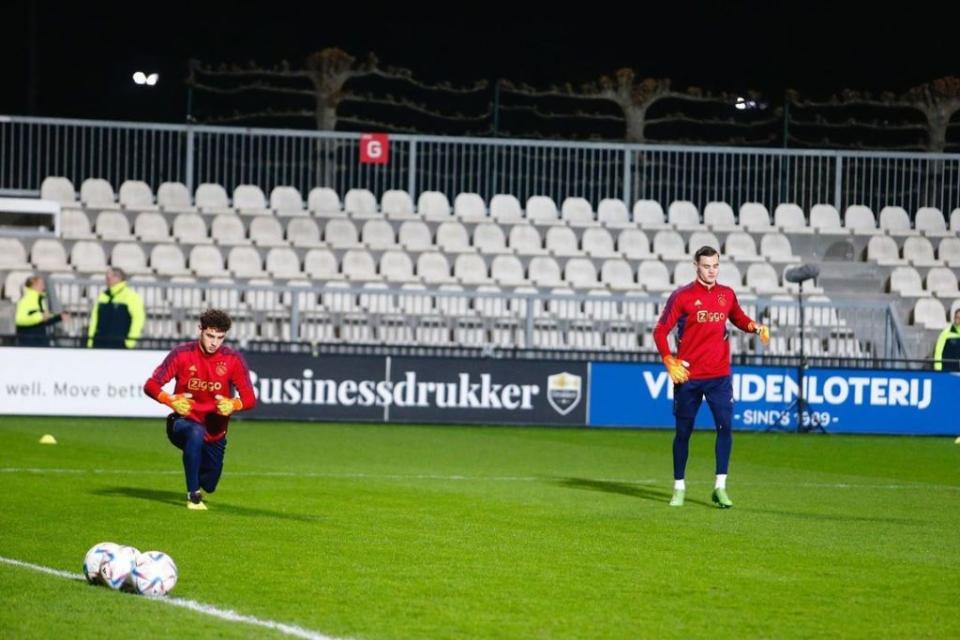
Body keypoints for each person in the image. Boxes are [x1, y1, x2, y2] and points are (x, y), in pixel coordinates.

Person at [652, 246, 770, 508]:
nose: (711, 270)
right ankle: (679, 486)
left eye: (715, 266)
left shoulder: (726, 294)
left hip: (719, 376)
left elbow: (738, 317)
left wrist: (755, 327)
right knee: (683, 432)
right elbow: (660, 331)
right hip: (689, 376)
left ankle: (720, 487)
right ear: (696, 265)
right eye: (706, 266)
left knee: (725, 427)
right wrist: (668, 359)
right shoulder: (682, 296)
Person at [143, 309, 257, 510]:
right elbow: (151, 385)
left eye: (220, 338)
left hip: (215, 433)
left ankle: (200, 479)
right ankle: (193, 496)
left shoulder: (233, 360)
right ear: (200, 330)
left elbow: (249, 399)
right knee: (195, 432)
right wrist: (169, 400)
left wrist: (233, 404)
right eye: (210, 336)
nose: (214, 342)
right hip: (182, 424)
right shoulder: (182, 354)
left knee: (210, 484)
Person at [87, 267, 145, 348]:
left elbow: (138, 320)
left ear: (118, 278)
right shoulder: (102, 295)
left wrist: (129, 343)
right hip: (99, 344)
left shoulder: (131, 296)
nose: (107, 280)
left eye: (109, 278)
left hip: (120, 346)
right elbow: (94, 320)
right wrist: (90, 341)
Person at [15, 275, 70, 346]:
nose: (43, 287)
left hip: (38, 342)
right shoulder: (26, 299)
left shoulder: (40, 299)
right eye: (41, 284)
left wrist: (59, 317)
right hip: (29, 343)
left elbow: (43, 320)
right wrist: (41, 317)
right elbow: (20, 320)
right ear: (33, 285)